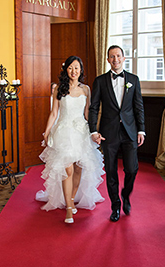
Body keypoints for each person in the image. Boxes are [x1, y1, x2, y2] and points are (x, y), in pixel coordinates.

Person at [36, 56, 104, 224]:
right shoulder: (58, 88)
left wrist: (94, 132)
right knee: (68, 170)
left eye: (77, 68)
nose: (74, 71)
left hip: (81, 131)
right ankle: (68, 209)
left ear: (81, 70)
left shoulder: (86, 89)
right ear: (66, 70)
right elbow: (54, 113)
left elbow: (88, 114)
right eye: (70, 68)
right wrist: (46, 132)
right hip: (64, 132)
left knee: (79, 169)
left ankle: (72, 198)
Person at [88, 45, 145, 222]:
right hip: (108, 133)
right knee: (111, 171)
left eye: (118, 56)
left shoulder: (134, 80)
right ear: (108, 60)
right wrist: (93, 131)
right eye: (112, 57)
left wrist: (141, 129)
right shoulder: (100, 81)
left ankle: (126, 194)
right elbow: (94, 107)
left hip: (130, 132)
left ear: (124, 58)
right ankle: (115, 206)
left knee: (132, 168)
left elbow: (138, 106)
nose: (115, 59)